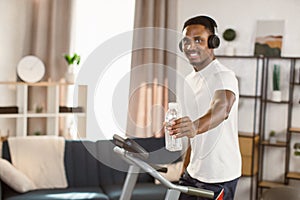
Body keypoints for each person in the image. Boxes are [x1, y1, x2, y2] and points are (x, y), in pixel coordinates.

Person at [167, 15, 241, 200]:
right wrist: (186, 166)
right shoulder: (189, 81)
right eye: (186, 41)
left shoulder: (224, 76)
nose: (190, 46)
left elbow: (221, 109)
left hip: (219, 175)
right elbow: (194, 135)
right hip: (193, 173)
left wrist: (195, 126)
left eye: (198, 40)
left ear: (213, 42)